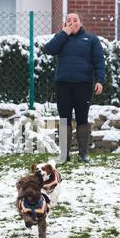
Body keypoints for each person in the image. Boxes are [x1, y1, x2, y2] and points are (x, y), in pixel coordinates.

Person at [44, 13, 106, 163]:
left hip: (83, 85)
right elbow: (48, 49)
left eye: (75, 20)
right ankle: (64, 155)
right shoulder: (61, 38)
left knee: (82, 119)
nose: (72, 23)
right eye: (69, 21)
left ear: (80, 22)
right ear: (65, 24)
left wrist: (100, 80)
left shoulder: (91, 39)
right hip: (63, 84)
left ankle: (83, 154)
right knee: (64, 119)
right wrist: (64, 33)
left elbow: (99, 61)